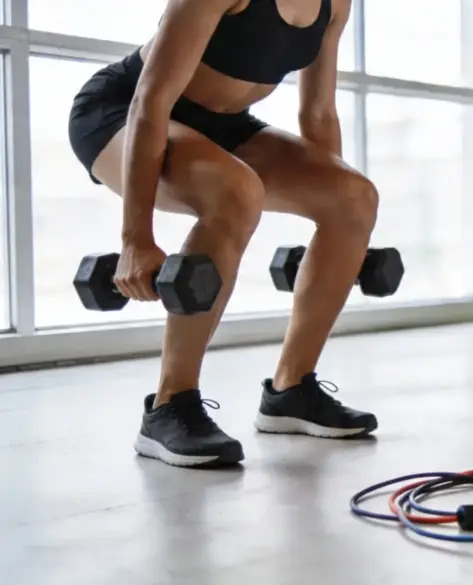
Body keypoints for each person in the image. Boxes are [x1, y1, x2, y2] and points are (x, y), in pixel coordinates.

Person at [67, 0, 378, 468]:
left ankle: (291, 390)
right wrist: (136, 239)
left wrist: (326, 209)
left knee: (355, 197)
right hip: (121, 113)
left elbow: (318, 113)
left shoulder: (335, 5)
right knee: (235, 191)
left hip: (226, 125)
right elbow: (150, 102)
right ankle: (170, 405)